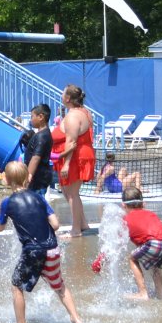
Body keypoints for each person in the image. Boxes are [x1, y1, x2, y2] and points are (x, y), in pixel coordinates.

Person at [0, 160, 85, 323]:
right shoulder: (39, 198)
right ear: (28, 178)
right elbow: (56, 225)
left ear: (6, 181)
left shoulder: (7, 203)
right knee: (60, 286)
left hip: (33, 252)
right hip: (52, 249)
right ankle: (76, 319)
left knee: (16, 285)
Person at [122, 184, 162, 299]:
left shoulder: (125, 220)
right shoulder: (151, 214)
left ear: (123, 205)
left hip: (154, 244)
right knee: (154, 263)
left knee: (132, 258)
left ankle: (142, 293)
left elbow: (117, 242)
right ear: (143, 204)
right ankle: (161, 293)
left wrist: (102, 258)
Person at [58, 84, 95, 237]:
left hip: (76, 156)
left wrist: (66, 164)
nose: (61, 96)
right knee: (71, 192)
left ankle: (75, 230)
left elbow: (71, 142)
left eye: (63, 93)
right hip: (82, 153)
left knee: (72, 194)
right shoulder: (84, 112)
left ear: (67, 98)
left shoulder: (72, 116)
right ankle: (82, 224)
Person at [22, 103, 54, 197]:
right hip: (38, 178)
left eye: (32, 117)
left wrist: (28, 176)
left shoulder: (42, 136)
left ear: (41, 117)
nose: (31, 120)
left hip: (38, 179)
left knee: (36, 206)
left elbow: (36, 158)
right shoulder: (41, 134)